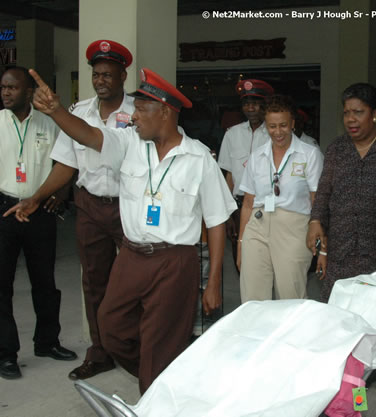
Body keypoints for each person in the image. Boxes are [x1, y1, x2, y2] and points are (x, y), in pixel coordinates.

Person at [25, 67, 237, 394]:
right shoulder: (129, 144)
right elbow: (89, 135)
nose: (133, 116)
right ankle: (165, 377)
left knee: (158, 337)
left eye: (140, 109)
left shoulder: (199, 159)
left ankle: (155, 387)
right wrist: (55, 111)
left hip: (176, 261)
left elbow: (217, 222)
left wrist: (214, 282)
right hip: (132, 256)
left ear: (164, 112)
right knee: (110, 327)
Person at [6, 39, 134, 381]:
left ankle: (135, 348)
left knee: (136, 281)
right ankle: (100, 352)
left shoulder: (139, 112)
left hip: (131, 206)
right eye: (96, 75)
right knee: (94, 283)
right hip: (90, 206)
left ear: (123, 75)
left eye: (108, 74)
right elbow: (66, 164)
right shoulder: (79, 112)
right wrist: (36, 197)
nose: (100, 80)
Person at [0, 67, 77, 380]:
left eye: (12, 88)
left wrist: (59, 193)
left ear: (28, 91)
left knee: (44, 282)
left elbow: (67, 163)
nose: (5, 93)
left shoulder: (49, 124)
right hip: (4, 209)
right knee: (2, 285)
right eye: (3, 87)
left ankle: (47, 342)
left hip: (41, 211)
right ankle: (6, 354)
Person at [307, 83, 376, 302]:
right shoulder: (337, 148)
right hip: (340, 252)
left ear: (375, 114)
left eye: (358, 112)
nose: (351, 119)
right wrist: (315, 222)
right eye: (346, 113)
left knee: (373, 317)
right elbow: (324, 192)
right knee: (337, 318)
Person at [238, 95, 323, 302]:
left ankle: (292, 335)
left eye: (283, 125)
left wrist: (323, 245)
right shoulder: (257, 156)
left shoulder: (309, 154)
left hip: (293, 228)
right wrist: (240, 243)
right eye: (272, 126)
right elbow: (248, 202)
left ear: (293, 123)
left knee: (290, 295)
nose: (278, 132)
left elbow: (317, 202)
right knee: (253, 297)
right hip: (257, 226)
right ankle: (259, 335)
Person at [218, 79, 273, 270]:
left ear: (264, 105)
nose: (251, 108)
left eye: (255, 103)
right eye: (246, 103)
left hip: (267, 205)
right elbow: (229, 176)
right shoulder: (232, 134)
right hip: (239, 205)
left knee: (268, 259)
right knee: (240, 260)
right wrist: (228, 212)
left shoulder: (275, 133)